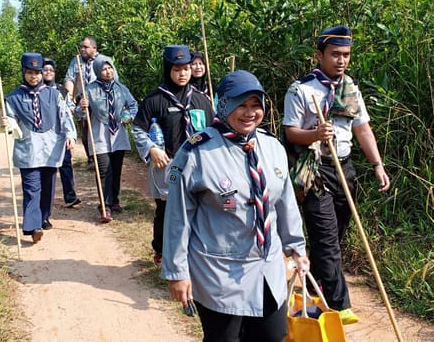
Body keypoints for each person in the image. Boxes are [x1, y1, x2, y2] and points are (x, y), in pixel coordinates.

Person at [162, 70, 310, 342]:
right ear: (223, 104)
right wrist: (177, 272)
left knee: (273, 337)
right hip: (220, 274)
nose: (249, 113)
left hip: (268, 271)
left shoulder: (273, 147)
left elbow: (285, 203)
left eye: (256, 105)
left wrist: (296, 249)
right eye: (241, 104)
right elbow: (177, 217)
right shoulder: (196, 151)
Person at [282, 25, 391, 325]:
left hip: (345, 167)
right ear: (319, 55)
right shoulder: (301, 89)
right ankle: (340, 306)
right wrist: (314, 133)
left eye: (346, 55)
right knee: (326, 238)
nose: (341, 61)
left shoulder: (350, 88)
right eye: (335, 55)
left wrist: (378, 164)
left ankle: (312, 290)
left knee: (334, 235)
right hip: (314, 170)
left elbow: (362, 128)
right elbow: (290, 133)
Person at [132, 45, 214, 266]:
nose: (183, 74)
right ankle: (161, 251)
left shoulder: (201, 99)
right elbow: (138, 129)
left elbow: (214, 130)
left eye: (186, 68)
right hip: (167, 164)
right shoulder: (155, 99)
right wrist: (152, 148)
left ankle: (192, 253)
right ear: (168, 69)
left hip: (197, 165)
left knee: (198, 208)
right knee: (167, 210)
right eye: (177, 69)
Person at [0, 53, 77, 243]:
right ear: (24, 72)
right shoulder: (14, 97)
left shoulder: (54, 94)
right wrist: (5, 123)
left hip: (51, 149)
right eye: (30, 72)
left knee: (48, 188)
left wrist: (71, 135)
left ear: (42, 73)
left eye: (37, 73)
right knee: (32, 188)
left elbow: (65, 116)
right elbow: (10, 121)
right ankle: (33, 228)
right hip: (28, 150)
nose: (34, 76)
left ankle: (42, 218)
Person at [76, 55, 138, 223]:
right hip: (99, 135)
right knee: (104, 171)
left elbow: (133, 105)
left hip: (118, 135)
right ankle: (105, 206)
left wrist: (129, 116)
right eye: (104, 68)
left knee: (116, 170)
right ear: (97, 71)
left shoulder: (121, 88)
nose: (108, 71)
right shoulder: (89, 89)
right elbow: (79, 112)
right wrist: (83, 107)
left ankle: (115, 199)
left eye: (110, 67)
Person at [64, 37, 119, 170]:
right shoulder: (76, 61)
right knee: (85, 131)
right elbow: (69, 79)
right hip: (82, 101)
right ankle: (91, 158)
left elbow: (114, 80)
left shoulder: (104, 61)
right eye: (81, 46)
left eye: (86, 47)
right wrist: (70, 97)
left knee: (99, 130)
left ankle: (104, 156)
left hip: (100, 102)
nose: (82, 49)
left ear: (94, 48)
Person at [44, 57, 81, 209]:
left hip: (61, 134)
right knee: (46, 169)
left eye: (51, 70)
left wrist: (69, 134)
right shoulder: (35, 91)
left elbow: (68, 112)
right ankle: (45, 200)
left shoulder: (62, 91)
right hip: (44, 135)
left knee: (66, 164)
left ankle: (70, 196)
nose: (48, 72)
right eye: (45, 69)